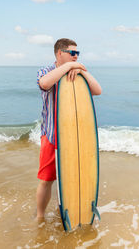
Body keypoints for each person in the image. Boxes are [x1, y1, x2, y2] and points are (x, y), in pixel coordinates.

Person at [36, 38, 102, 220]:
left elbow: (97, 90)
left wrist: (81, 70)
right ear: (59, 53)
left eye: (77, 53)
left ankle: (66, 210)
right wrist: (67, 68)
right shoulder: (46, 71)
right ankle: (40, 217)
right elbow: (45, 84)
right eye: (72, 53)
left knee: (70, 177)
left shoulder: (78, 72)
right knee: (46, 180)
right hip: (52, 135)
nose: (76, 56)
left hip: (74, 136)